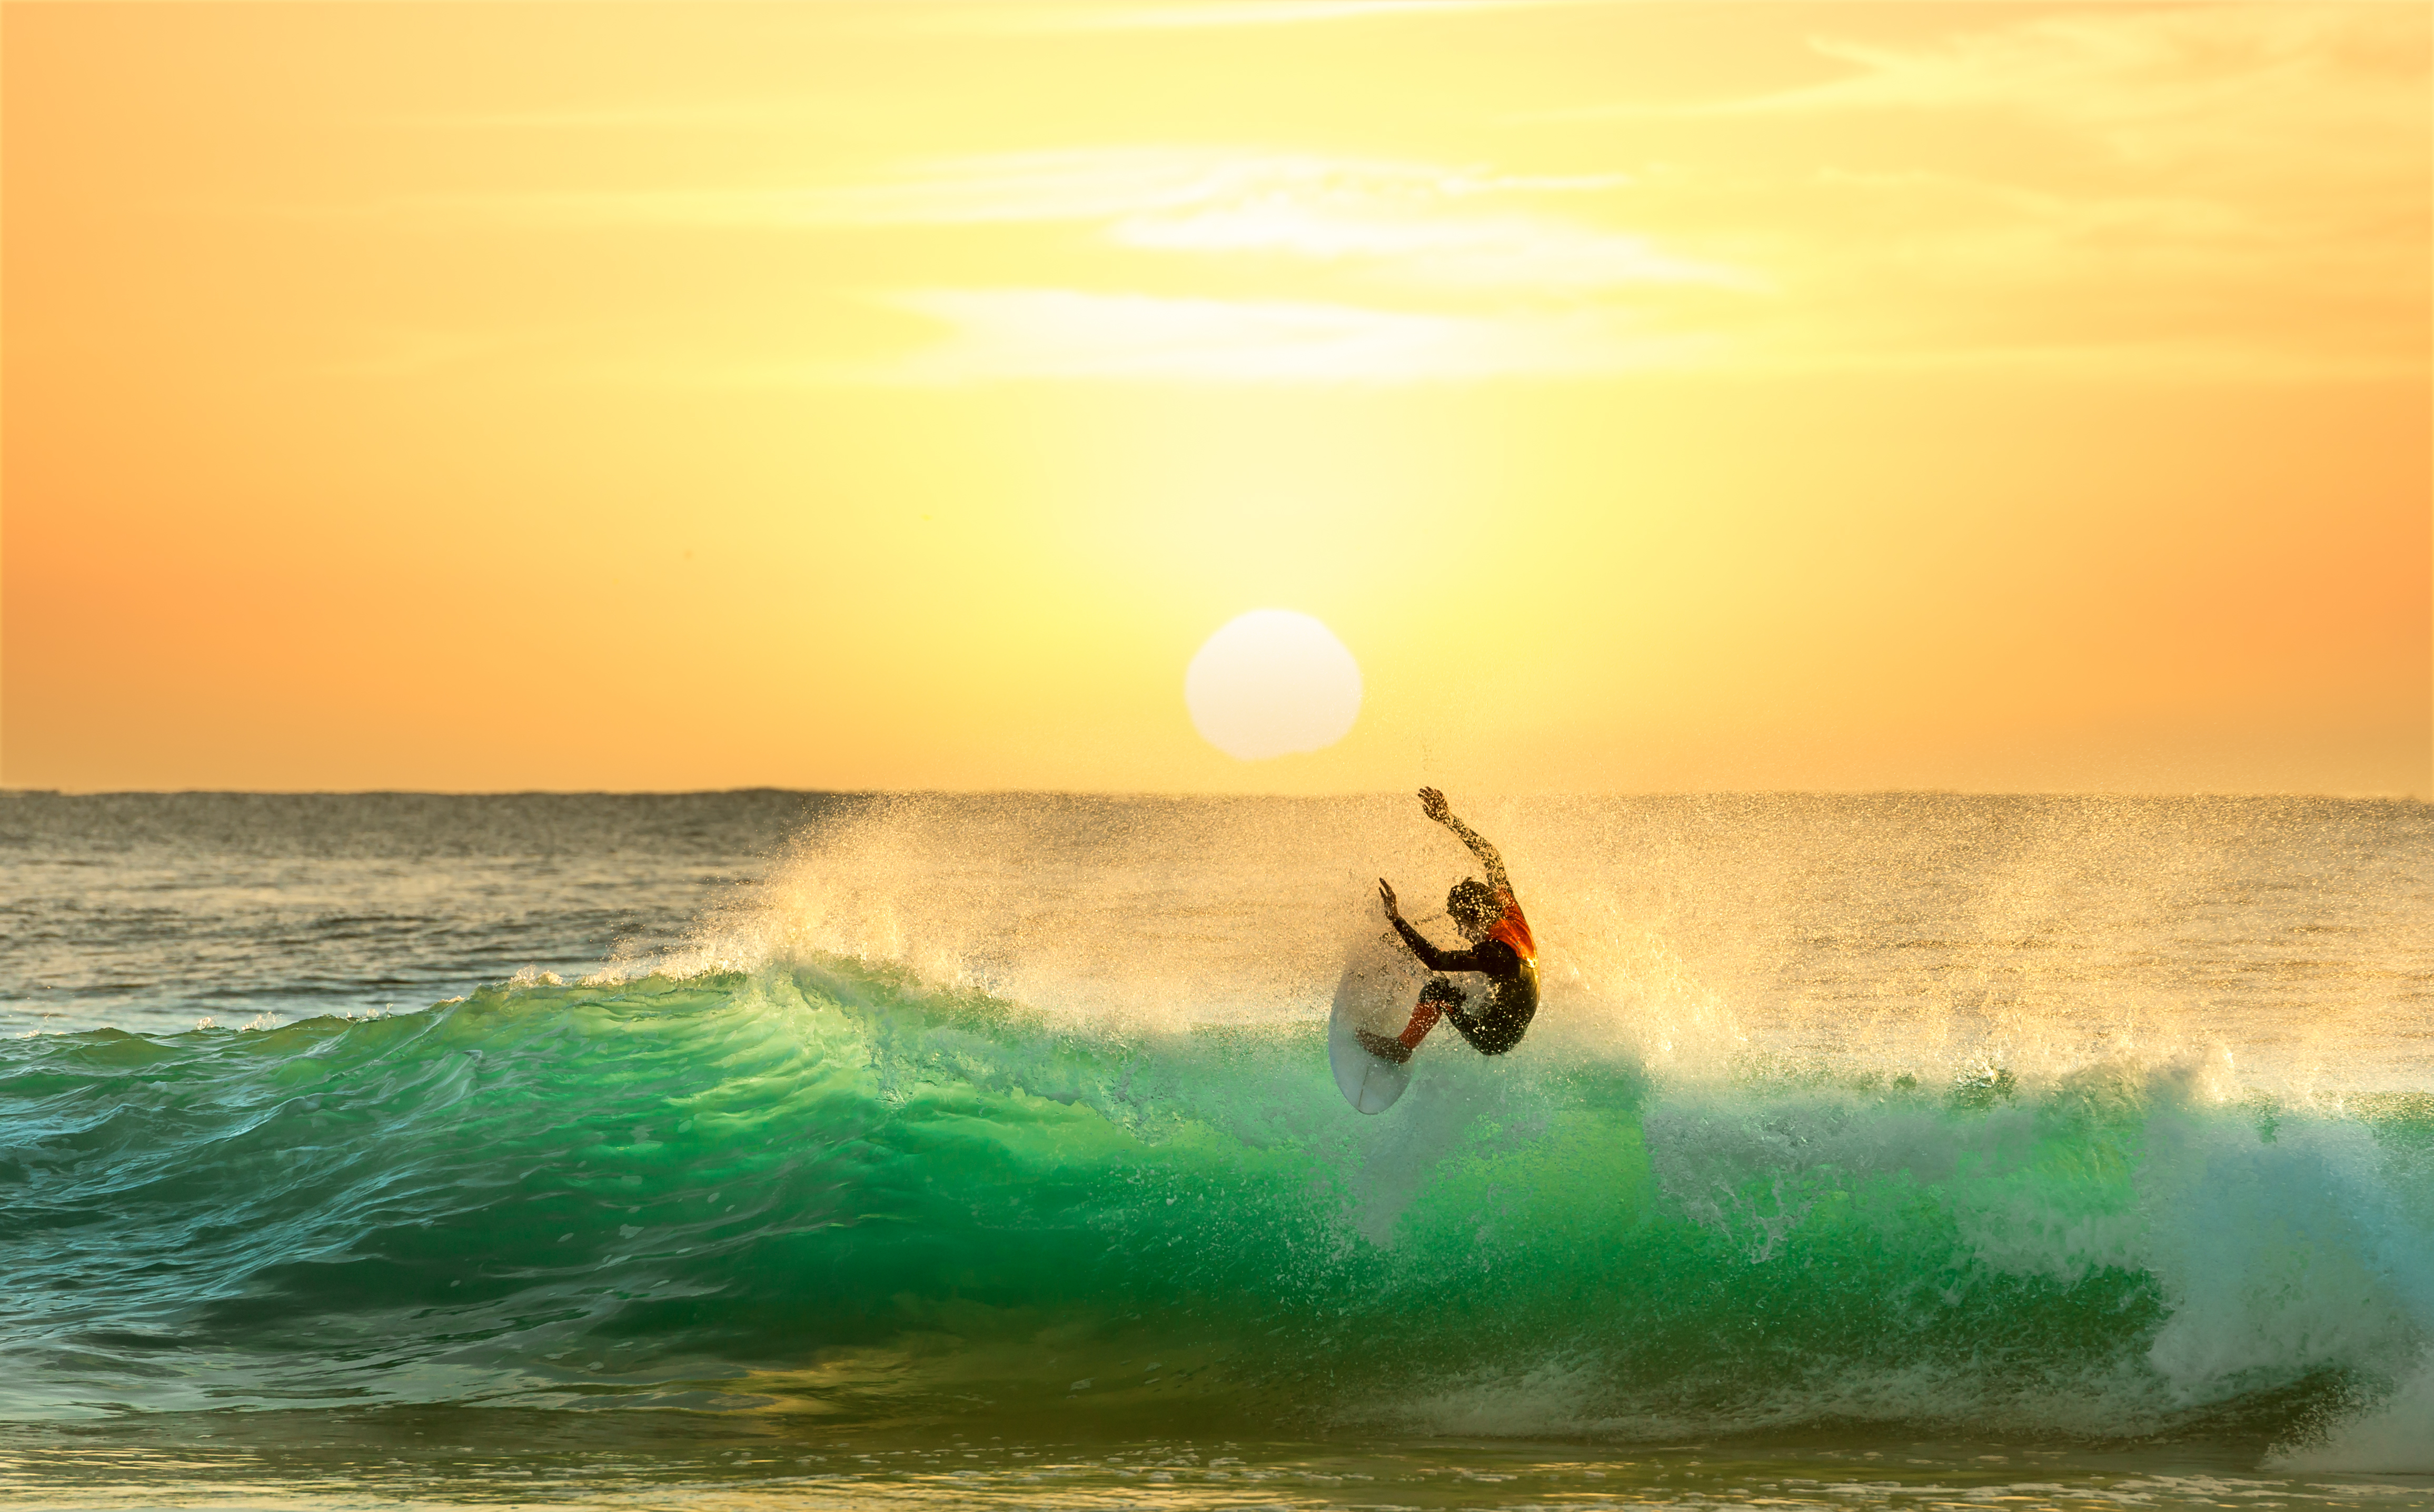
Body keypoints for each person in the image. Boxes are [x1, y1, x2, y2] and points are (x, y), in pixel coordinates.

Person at [1362, 787, 1539, 1063]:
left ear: (1474, 917)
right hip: (1508, 1015)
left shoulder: (1497, 954)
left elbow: (1436, 960)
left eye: (1461, 924)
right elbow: (1491, 856)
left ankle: (1401, 1049)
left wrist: (1396, 919)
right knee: (1456, 967)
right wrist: (1448, 819)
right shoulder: (1511, 913)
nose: (1460, 931)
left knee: (1438, 987)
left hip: (1494, 1035)